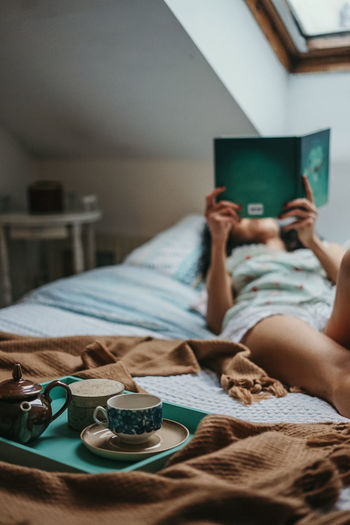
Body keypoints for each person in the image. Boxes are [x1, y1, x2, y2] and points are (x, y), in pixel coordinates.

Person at [202, 175, 350, 418]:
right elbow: (217, 320)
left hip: (331, 311)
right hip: (273, 315)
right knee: (343, 368)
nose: (255, 214)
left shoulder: (318, 249)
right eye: (244, 212)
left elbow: (341, 278)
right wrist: (219, 242)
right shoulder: (230, 262)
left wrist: (311, 240)